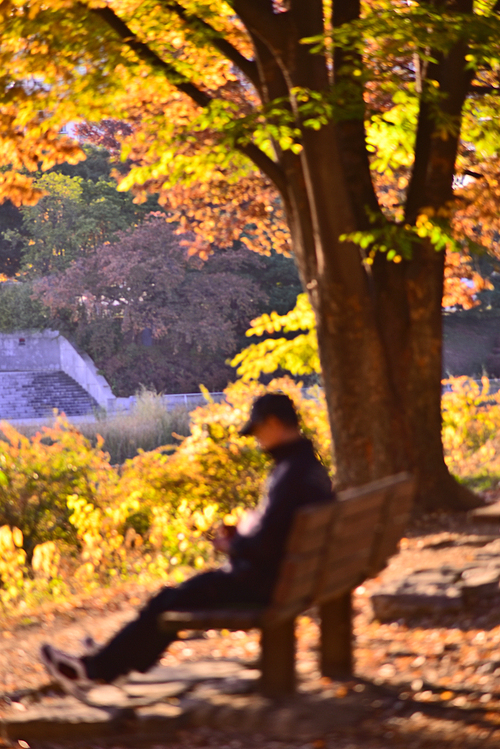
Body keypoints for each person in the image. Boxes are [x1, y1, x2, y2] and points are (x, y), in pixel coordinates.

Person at [41, 392, 334, 696]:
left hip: (262, 585)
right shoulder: (310, 468)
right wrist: (245, 536)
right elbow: (279, 531)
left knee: (167, 601)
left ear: (273, 424)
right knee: (171, 599)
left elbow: (266, 544)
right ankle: (116, 660)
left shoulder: (289, 474)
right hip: (289, 579)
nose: (258, 441)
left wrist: (231, 544)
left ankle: (96, 669)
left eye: (258, 432)